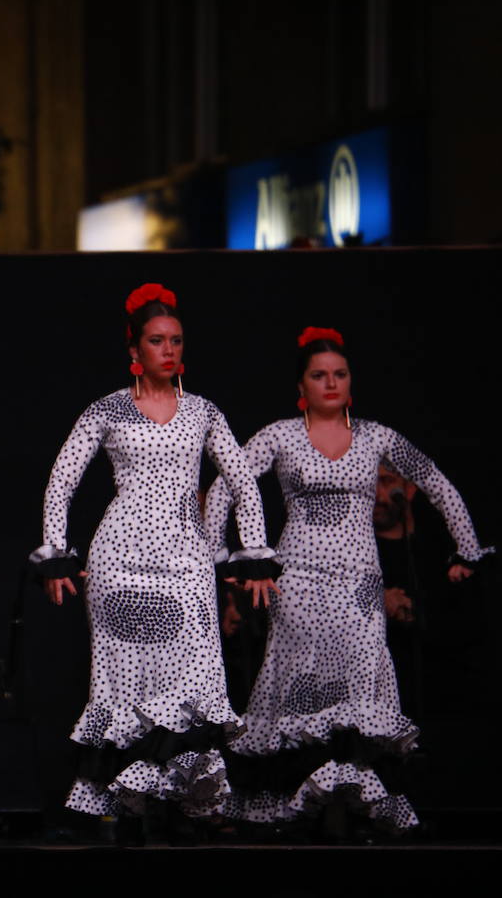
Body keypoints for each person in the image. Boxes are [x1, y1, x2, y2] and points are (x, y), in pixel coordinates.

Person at [206, 327, 491, 834]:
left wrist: (466, 548)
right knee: (301, 690)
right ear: (303, 385)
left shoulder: (377, 437)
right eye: (319, 375)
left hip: (360, 585)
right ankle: (301, 809)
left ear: (350, 382)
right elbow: (227, 485)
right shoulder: (279, 435)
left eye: (339, 374)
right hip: (297, 584)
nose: (330, 383)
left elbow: (436, 481)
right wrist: (227, 556)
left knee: (359, 691)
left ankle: (351, 807)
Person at [31, 283, 279, 840]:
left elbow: (242, 481)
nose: (168, 350)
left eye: (176, 340)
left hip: (187, 558)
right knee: (125, 684)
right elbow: (62, 481)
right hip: (120, 558)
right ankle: (127, 810)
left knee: (194, 678)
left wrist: (256, 551)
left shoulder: (203, 412)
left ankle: (188, 807)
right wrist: (56, 554)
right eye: (156, 340)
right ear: (134, 348)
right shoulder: (108, 409)